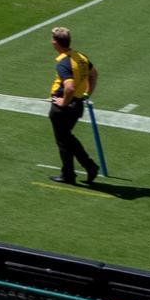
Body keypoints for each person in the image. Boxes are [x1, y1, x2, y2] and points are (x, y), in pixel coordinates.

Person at [47, 28, 100, 186]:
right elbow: (94, 74)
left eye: (52, 39)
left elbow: (69, 87)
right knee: (67, 138)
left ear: (56, 43)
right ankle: (73, 171)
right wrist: (86, 94)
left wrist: (63, 102)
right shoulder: (81, 57)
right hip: (77, 105)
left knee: (63, 140)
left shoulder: (64, 63)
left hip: (64, 108)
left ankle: (80, 170)